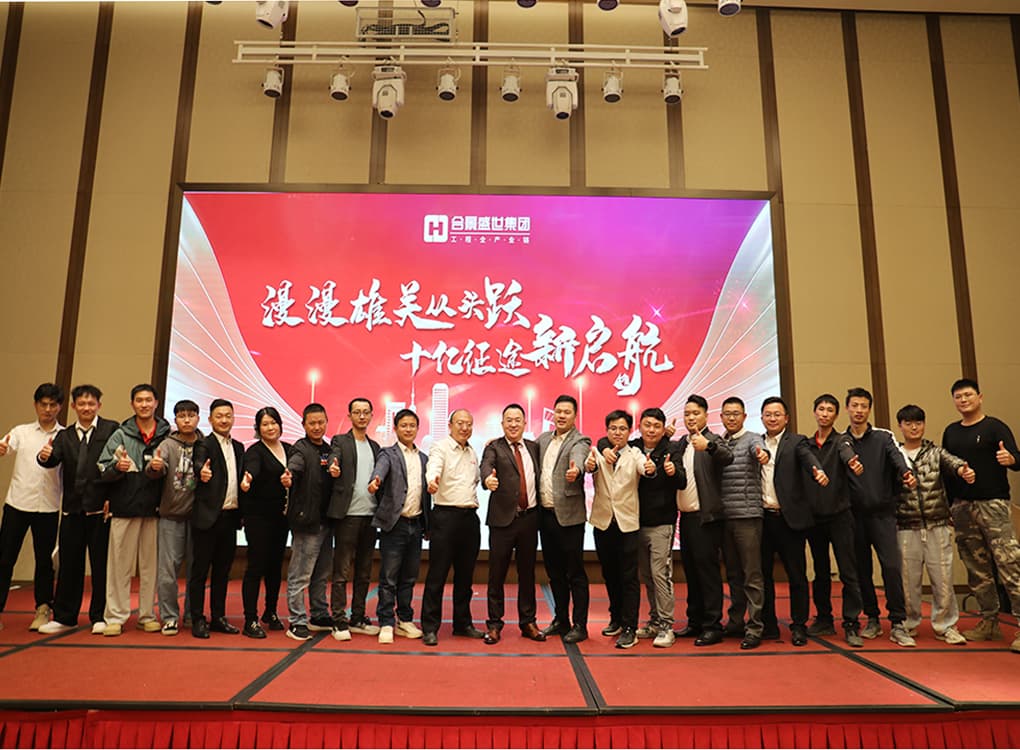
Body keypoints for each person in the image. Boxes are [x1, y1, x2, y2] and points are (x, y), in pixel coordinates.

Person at [941, 378, 1020, 651]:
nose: (963, 400)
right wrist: (949, 505)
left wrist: (1012, 460)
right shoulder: (951, 432)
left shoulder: (995, 427)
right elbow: (947, 470)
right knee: (977, 569)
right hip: (962, 507)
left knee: (1009, 564)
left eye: (968, 395)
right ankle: (989, 623)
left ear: (980, 397)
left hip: (993, 504)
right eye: (958, 397)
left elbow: (1017, 458)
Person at [36, 384, 117, 635]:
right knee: (69, 565)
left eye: (91, 403)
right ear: (73, 406)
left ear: (99, 406)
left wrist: (112, 499)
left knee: (101, 565)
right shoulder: (65, 436)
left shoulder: (111, 430)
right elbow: (52, 460)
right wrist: (44, 456)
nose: (86, 408)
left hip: (101, 510)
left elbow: (117, 467)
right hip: (72, 509)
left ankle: (100, 616)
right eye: (81, 404)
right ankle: (65, 616)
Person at [843, 387, 918, 647]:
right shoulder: (842, 441)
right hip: (854, 517)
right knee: (861, 570)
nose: (859, 410)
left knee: (891, 567)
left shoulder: (883, 437)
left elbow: (898, 458)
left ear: (869, 409)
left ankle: (898, 622)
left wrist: (906, 474)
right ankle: (872, 618)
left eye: (863, 406)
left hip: (883, 515)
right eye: (854, 405)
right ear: (847, 408)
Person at [96, 384, 170, 636]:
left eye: (149, 400)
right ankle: (115, 616)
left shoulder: (167, 435)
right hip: (124, 507)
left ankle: (147, 615)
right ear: (132, 404)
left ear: (156, 403)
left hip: (155, 509)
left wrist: (161, 468)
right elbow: (102, 467)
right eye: (139, 400)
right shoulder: (121, 433)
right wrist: (117, 467)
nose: (144, 404)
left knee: (150, 567)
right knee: (119, 566)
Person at [896, 404, 970, 646]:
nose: (914, 427)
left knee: (943, 579)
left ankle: (946, 625)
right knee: (908, 580)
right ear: (900, 426)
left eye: (918, 422)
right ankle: (908, 624)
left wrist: (963, 469)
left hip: (937, 524)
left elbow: (954, 463)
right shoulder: (895, 454)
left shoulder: (936, 452)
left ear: (924, 425)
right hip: (905, 525)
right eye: (908, 423)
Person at [0, 383, 64, 631]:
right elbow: (6, 446)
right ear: (36, 405)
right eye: (43, 404)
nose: (47, 409)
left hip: (48, 506)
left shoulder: (64, 436)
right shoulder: (21, 432)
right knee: (5, 558)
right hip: (17, 503)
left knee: (44, 561)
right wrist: (2, 449)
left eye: (52, 405)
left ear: (60, 407)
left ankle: (43, 609)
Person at [480, 404, 545, 645]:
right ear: (502, 424)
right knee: (496, 574)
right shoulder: (494, 447)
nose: (513, 424)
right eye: (509, 420)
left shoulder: (534, 447)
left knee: (527, 573)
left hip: (530, 519)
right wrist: (487, 480)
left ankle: (528, 622)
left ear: (525, 423)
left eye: (518, 419)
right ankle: (494, 624)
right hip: (502, 521)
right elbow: (486, 467)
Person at [803, 393, 865, 647]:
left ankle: (851, 623)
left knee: (848, 571)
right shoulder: (807, 445)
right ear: (815, 412)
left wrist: (853, 462)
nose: (825, 414)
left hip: (840, 516)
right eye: (821, 409)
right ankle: (824, 619)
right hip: (815, 519)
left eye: (830, 410)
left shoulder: (842, 440)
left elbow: (847, 452)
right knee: (820, 572)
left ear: (836, 415)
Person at [585, 410, 650, 649]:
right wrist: (590, 465)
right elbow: (589, 466)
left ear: (630, 431)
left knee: (629, 577)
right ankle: (616, 618)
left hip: (627, 524)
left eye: (622, 428)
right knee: (609, 574)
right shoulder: (597, 453)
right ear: (607, 430)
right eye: (613, 428)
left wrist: (650, 468)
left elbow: (645, 467)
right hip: (603, 522)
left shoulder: (635, 454)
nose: (617, 433)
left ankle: (630, 626)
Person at [672, 394, 733, 646]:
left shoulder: (713, 440)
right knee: (691, 571)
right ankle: (695, 621)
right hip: (685, 518)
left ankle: (712, 625)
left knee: (707, 573)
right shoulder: (681, 443)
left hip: (706, 518)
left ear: (706, 416)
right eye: (687, 414)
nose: (691, 418)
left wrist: (708, 446)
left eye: (695, 413)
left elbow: (727, 456)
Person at [759, 396, 817, 647]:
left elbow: (808, 458)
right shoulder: (756, 443)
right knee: (763, 576)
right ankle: (768, 624)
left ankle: (799, 625)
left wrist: (817, 470)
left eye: (777, 414)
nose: (772, 418)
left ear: (786, 418)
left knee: (796, 576)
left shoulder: (797, 442)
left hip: (789, 519)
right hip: (762, 519)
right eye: (768, 414)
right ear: (761, 417)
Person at [625, 408, 686, 648]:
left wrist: (673, 472)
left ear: (663, 429)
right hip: (636, 522)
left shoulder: (671, 449)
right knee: (647, 575)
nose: (651, 430)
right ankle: (654, 620)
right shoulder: (633, 447)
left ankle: (667, 626)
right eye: (647, 425)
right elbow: (605, 442)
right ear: (640, 426)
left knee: (661, 575)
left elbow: (682, 480)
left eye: (656, 426)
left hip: (662, 523)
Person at [421, 408, 482, 646]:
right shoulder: (440, 447)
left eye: (469, 424)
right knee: (437, 575)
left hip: (469, 518)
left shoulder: (472, 452)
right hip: (445, 517)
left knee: (465, 577)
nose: (464, 428)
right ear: (450, 425)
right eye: (460, 423)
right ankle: (430, 627)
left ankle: (462, 624)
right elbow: (433, 468)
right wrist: (432, 481)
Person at [369, 408, 429, 644]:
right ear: (395, 429)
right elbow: (380, 471)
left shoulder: (424, 458)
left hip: (416, 524)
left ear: (417, 428)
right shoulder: (388, 454)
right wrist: (376, 480)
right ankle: (386, 622)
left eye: (412, 425)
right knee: (389, 577)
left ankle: (405, 620)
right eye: (403, 425)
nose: (408, 429)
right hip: (394, 525)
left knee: (409, 577)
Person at [326, 397, 382, 640]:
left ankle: (358, 617)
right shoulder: (340, 441)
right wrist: (333, 467)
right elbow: (334, 457)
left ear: (371, 415)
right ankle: (339, 620)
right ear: (349, 416)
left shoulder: (376, 447)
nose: (361, 416)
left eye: (365, 412)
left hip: (370, 516)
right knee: (341, 572)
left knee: (364, 571)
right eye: (357, 412)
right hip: (347, 516)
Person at [537, 395, 592, 644]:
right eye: (558, 411)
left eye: (567, 412)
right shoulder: (543, 440)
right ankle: (561, 620)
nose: (561, 416)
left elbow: (579, 457)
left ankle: (580, 625)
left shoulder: (580, 440)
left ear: (574, 416)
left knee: (575, 573)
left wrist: (576, 470)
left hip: (569, 518)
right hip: (545, 516)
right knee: (554, 573)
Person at [145, 400, 201, 636]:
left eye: (191, 415)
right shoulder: (167, 444)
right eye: (181, 416)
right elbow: (154, 469)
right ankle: (169, 616)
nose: (186, 420)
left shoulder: (206, 444)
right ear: (175, 419)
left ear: (198, 418)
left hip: (199, 519)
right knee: (168, 571)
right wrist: (155, 466)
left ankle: (192, 614)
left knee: (196, 570)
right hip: (171, 516)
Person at [189, 398, 244, 639]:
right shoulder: (204, 444)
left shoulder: (239, 447)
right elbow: (198, 462)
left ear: (233, 418)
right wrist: (201, 471)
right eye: (219, 416)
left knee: (223, 572)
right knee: (200, 572)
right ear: (210, 419)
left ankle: (218, 617)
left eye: (228, 416)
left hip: (230, 518)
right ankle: (197, 618)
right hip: (207, 518)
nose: (224, 420)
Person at [718, 397, 769, 650]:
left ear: (744, 416)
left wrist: (762, 454)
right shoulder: (719, 442)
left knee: (752, 574)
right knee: (733, 574)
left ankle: (755, 627)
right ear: (721, 417)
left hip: (747, 517)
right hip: (724, 517)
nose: (731, 418)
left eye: (736, 413)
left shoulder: (752, 439)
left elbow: (760, 450)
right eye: (727, 414)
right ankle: (736, 621)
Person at [282, 403, 335, 641]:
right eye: (312, 423)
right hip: (307, 521)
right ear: (303, 425)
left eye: (320, 422)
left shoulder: (328, 449)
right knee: (300, 574)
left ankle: (319, 614)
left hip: (327, 521)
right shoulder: (300, 449)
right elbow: (294, 468)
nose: (317, 427)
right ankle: (297, 621)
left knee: (321, 573)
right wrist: (289, 476)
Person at [238, 406, 292, 638]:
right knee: (256, 566)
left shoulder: (289, 449)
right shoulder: (255, 452)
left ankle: (270, 612)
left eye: (273, 423)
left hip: (282, 517)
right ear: (258, 428)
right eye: (265, 424)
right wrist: (247, 480)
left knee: (275, 566)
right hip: (258, 518)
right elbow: (252, 470)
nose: (270, 428)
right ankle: (250, 619)